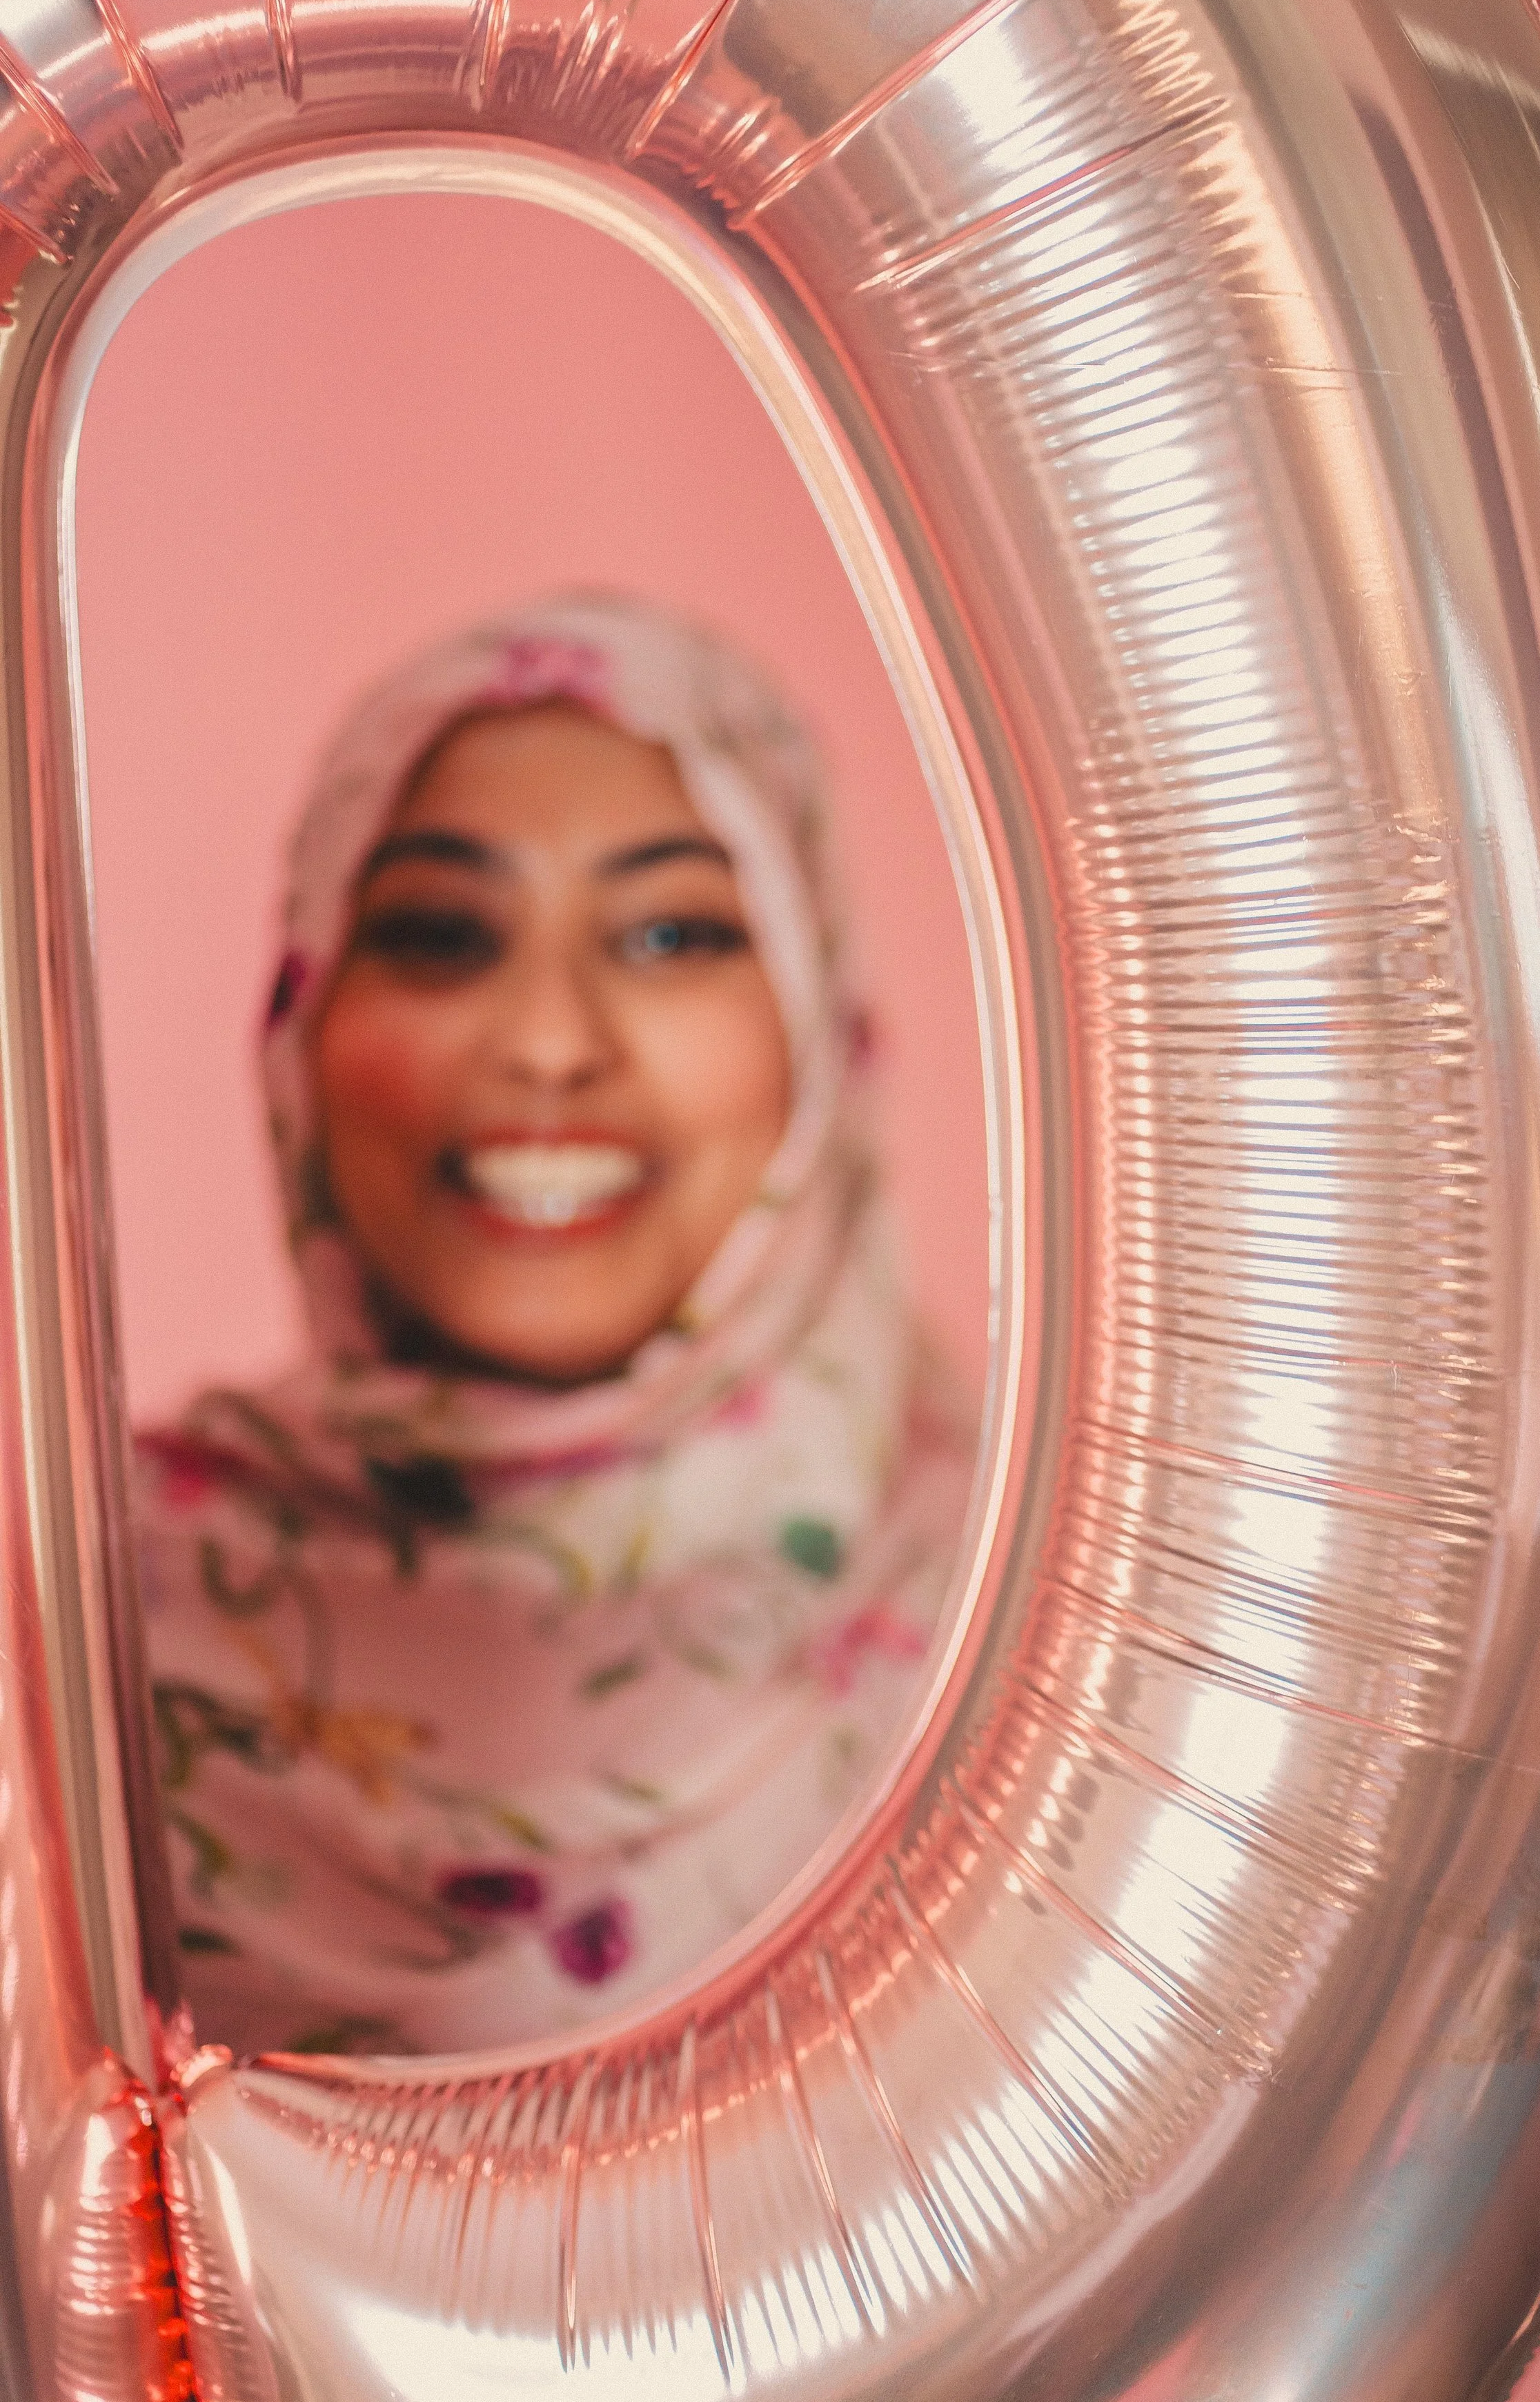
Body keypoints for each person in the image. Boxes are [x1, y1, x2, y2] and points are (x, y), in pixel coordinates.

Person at [136, 593, 975, 2058]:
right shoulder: (76, 1639)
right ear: (301, 1025)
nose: (545, 1039)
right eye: (441, 936)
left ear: (816, 1020)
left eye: (668, 933)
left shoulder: (1048, 1622)